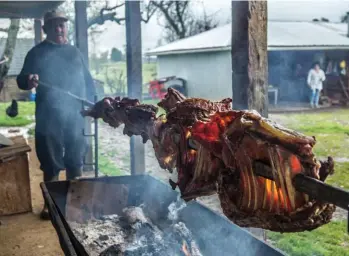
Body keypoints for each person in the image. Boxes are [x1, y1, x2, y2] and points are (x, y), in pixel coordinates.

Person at [16, 10, 96, 220]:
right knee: (50, 161)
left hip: (75, 114)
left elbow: (88, 81)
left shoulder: (75, 53)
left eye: (62, 25)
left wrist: (97, 103)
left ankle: (74, 203)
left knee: (75, 159)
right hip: (48, 115)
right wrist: (29, 79)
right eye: (54, 26)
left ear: (66, 27)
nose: (59, 29)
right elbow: (22, 80)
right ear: (46, 30)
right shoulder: (37, 53)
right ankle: (51, 205)